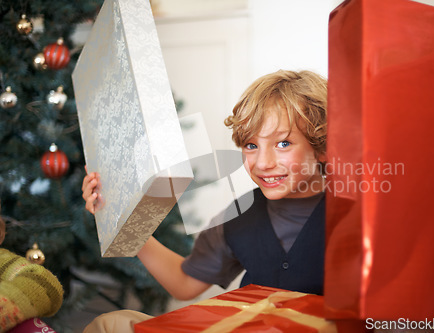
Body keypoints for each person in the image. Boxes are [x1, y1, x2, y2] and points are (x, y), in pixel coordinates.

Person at [81, 69, 327, 331]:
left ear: (323, 148)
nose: (263, 163)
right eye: (251, 146)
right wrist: (120, 215)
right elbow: (184, 284)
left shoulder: (361, 214)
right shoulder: (239, 217)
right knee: (111, 324)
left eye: (283, 143)